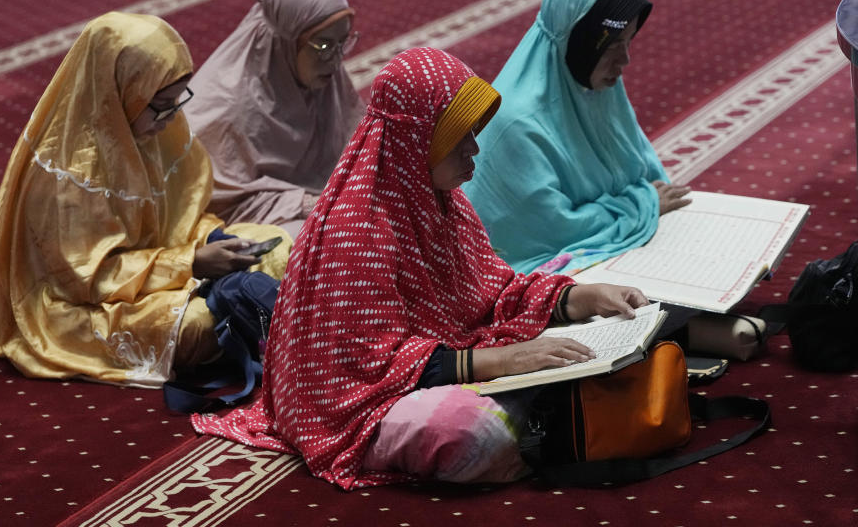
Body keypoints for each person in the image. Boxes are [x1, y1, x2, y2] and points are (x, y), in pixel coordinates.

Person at [192, 47, 648, 489]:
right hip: (349, 400)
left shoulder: (442, 201)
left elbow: (493, 291)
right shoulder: (357, 229)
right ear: (416, 137)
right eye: (458, 136)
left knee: (587, 364)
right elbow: (368, 367)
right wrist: (504, 359)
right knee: (470, 433)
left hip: (433, 363)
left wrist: (577, 298)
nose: (474, 149)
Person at [0, 12, 290, 387]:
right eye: (161, 103)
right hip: (81, 305)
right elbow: (85, 280)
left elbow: (182, 219)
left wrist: (212, 242)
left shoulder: (156, 130)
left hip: (163, 271)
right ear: (119, 91)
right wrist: (190, 264)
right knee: (198, 327)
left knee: (278, 245)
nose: (171, 117)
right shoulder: (68, 174)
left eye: (177, 100)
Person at [464, 0, 691, 275]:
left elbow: (646, 179)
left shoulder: (597, 90)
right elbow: (547, 231)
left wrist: (647, 203)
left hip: (613, 253)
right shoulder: (518, 121)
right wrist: (641, 207)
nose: (624, 61)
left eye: (628, 42)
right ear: (577, 42)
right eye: (611, 47)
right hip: (532, 267)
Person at [184, 0, 364, 239]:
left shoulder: (324, 74)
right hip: (231, 228)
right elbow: (220, 201)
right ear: (286, 44)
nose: (336, 60)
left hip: (303, 203)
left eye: (343, 42)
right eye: (325, 44)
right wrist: (305, 204)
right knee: (319, 237)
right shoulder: (231, 106)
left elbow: (358, 147)